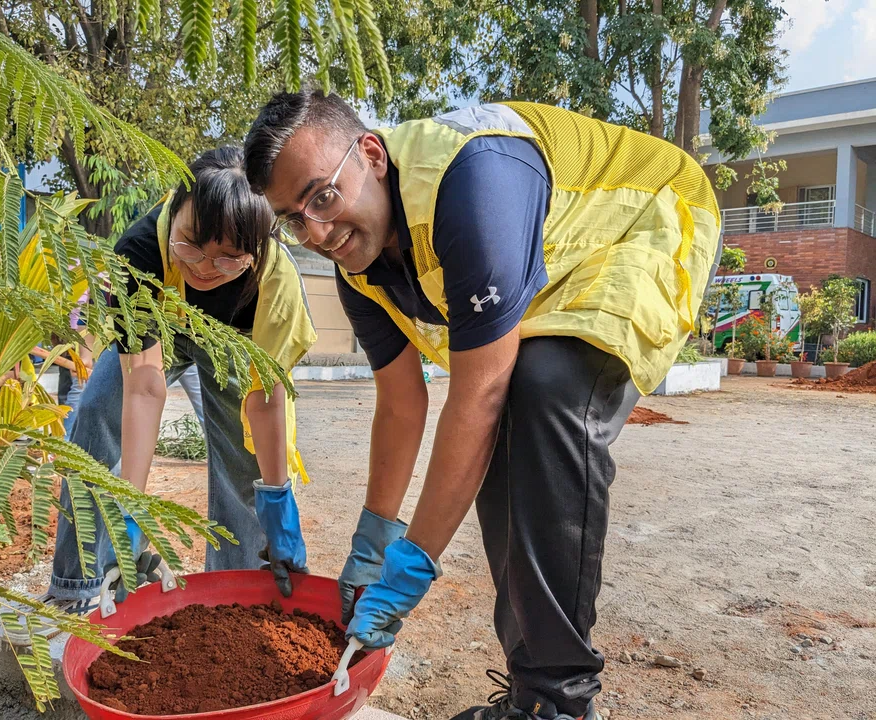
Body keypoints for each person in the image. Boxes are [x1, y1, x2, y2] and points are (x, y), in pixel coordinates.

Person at [244, 92, 721, 720]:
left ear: (370, 155)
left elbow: (480, 393)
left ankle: (558, 704)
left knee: (546, 391)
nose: (318, 232)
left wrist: (412, 564)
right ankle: (531, 692)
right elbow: (400, 403)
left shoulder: (472, 184)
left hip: (647, 216)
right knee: (504, 431)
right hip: (557, 266)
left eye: (323, 197)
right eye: (293, 219)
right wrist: (373, 542)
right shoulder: (358, 267)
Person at [44, 146, 317, 614]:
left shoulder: (277, 284)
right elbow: (145, 386)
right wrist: (131, 500)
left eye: (228, 257)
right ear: (174, 212)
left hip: (235, 336)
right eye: (191, 243)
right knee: (94, 417)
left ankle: (237, 594)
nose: (205, 267)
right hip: (161, 325)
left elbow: (266, 401)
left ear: (255, 251)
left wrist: (277, 497)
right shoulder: (139, 253)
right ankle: (80, 585)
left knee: (242, 462)